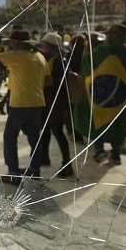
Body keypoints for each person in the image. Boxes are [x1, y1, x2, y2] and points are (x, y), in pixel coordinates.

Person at [0, 29, 49, 181]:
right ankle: (34, 170)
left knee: (10, 137)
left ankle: (14, 174)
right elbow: (48, 81)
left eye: (12, 42)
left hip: (20, 104)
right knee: (35, 138)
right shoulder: (40, 56)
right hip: (38, 103)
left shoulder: (16, 55)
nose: (11, 44)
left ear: (17, 43)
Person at [73, 24, 126, 165]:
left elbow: (87, 64)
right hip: (116, 98)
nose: (111, 36)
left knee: (100, 122)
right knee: (114, 123)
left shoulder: (102, 52)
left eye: (112, 33)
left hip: (103, 97)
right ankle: (112, 154)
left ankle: (103, 151)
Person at [38, 32, 74, 177]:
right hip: (49, 99)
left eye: (44, 45)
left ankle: (67, 164)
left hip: (56, 101)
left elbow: (56, 82)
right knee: (46, 129)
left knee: (57, 131)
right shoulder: (53, 58)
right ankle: (44, 157)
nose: (42, 47)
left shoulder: (59, 61)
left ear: (51, 47)